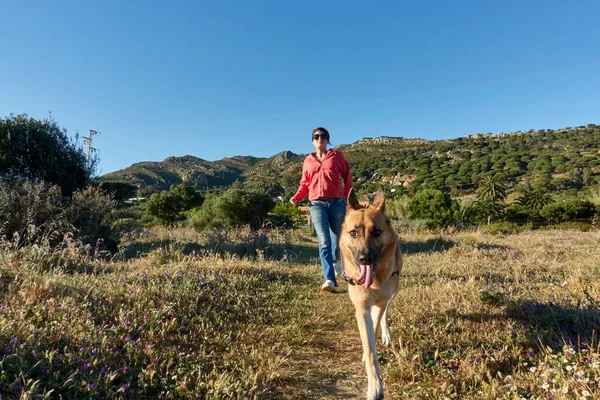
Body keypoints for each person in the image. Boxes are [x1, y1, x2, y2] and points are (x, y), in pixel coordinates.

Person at [290, 127, 353, 293]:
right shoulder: (308, 160)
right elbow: (305, 183)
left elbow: (347, 177)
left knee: (338, 239)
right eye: (316, 136)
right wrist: (297, 197)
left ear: (327, 140)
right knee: (324, 241)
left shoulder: (337, 156)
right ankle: (330, 280)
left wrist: (350, 199)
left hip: (337, 203)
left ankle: (335, 262)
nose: (320, 138)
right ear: (312, 140)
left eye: (323, 136)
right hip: (316, 204)